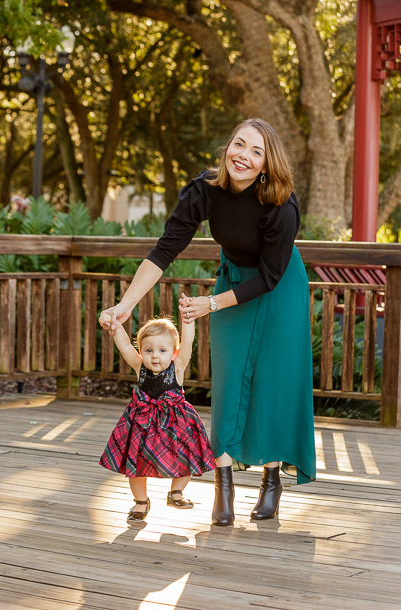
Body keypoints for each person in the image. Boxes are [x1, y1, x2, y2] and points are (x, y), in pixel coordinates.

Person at [100, 117, 316, 527]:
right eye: (239, 144)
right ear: (227, 148)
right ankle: (224, 485)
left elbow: (270, 277)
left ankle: (272, 479)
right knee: (229, 379)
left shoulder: (281, 206)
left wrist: (211, 304)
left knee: (271, 382)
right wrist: (126, 305)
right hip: (233, 281)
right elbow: (165, 250)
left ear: (267, 164)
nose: (244, 156)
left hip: (280, 288)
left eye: (257, 152)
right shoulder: (205, 191)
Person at [99, 316, 216, 523]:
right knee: (134, 465)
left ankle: (176, 493)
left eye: (162, 350)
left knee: (186, 457)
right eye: (148, 350)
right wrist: (116, 328)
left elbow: (188, 343)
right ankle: (140, 501)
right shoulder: (140, 367)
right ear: (142, 351)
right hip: (141, 424)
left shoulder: (177, 367)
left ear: (174, 353)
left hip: (174, 424)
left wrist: (188, 321)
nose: (155, 356)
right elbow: (125, 345)